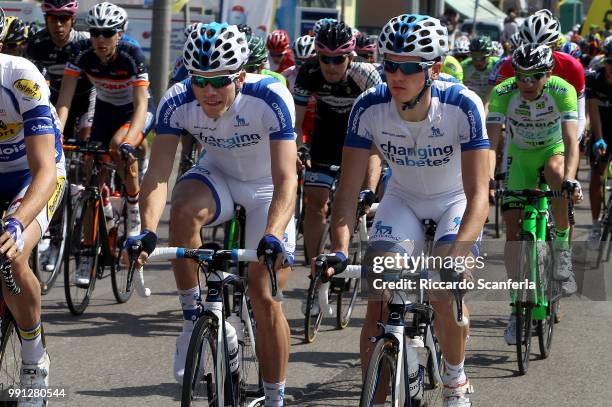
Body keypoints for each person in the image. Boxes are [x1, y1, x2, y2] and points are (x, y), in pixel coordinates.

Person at [126, 22, 296, 407]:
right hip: (219, 175)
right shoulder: (178, 99)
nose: (208, 91)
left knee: (264, 292)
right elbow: (157, 175)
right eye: (200, 80)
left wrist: (272, 232)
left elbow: (287, 179)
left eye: (219, 81)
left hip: (267, 187)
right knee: (183, 206)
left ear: (239, 74)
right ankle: (192, 318)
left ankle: (275, 398)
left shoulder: (269, 96)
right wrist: (147, 230)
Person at [329, 14, 489, 406]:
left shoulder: (461, 105)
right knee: (379, 296)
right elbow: (348, 191)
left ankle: (455, 379)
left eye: (409, 67)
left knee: (444, 288)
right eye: (389, 64)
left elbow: (478, 194)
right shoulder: (369, 106)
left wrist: (457, 255)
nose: (395, 75)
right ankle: (376, 399)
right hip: (402, 200)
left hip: (455, 200)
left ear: (433, 69)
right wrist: (338, 249)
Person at [56, 2, 154, 284]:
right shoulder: (82, 54)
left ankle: (134, 213)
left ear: (120, 33)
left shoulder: (131, 54)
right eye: (95, 32)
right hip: (105, 112)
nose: (100, 39)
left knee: (117, 146)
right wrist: (57, 134)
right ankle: (88, 254)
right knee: (90, 184)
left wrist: (129, 142)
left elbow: (140, 106)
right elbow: (64, 99)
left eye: (107, 33)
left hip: (134, 113)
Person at [487, 44, 581, 333]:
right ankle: (516, 307)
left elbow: (571, 142)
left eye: (535, 76)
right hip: (521, 156)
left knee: (556, 173)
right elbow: (491, 144)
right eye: (521, 76)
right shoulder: (503, 93)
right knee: (514, 231)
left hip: (552, 149)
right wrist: (488, 179)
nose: (527, 83)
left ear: (548, 74)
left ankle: (561, 247)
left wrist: (571, 179)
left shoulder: (563, 90)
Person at [0, 6, 67, 404]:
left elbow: (44, 170)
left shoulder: (20, 76)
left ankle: (33, 359)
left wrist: (15, 223)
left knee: (13, 254)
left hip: (35, 173)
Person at [293, 20, 382, 272]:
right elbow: (296, 123)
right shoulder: (308, 72)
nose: (331, 66)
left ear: (350, 56)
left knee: (352, 198)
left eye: (338, 59)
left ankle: (342, 251)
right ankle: (315, 270)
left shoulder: (366, 74)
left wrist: (370, 187)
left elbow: (378, 133)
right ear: (317, 56)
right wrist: (300, 149)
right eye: (325, 59)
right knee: (315, 204)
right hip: (325, 137)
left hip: (360, 137)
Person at [26, 0, 95, 141]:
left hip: (86, 97)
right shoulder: (36, 44)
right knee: (47, 137)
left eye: (63, 18)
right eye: (52, 18)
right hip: (54, 98)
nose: (58, 24)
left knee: (87, 139)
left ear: (73, 20)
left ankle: (88, 163)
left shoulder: (86, 42)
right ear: (46, 19)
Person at [586, 41, 612, 248]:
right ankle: (595, 226)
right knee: (597, 177)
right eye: (609, 62)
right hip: (601, 127)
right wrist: (599, 137)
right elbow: (593, 110)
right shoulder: (595, 78)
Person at [461, 36, 499, 103]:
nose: (478, 62)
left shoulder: (497, 65)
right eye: (475, 57)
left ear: (490, 54)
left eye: (482, 58)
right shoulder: (463, 67)